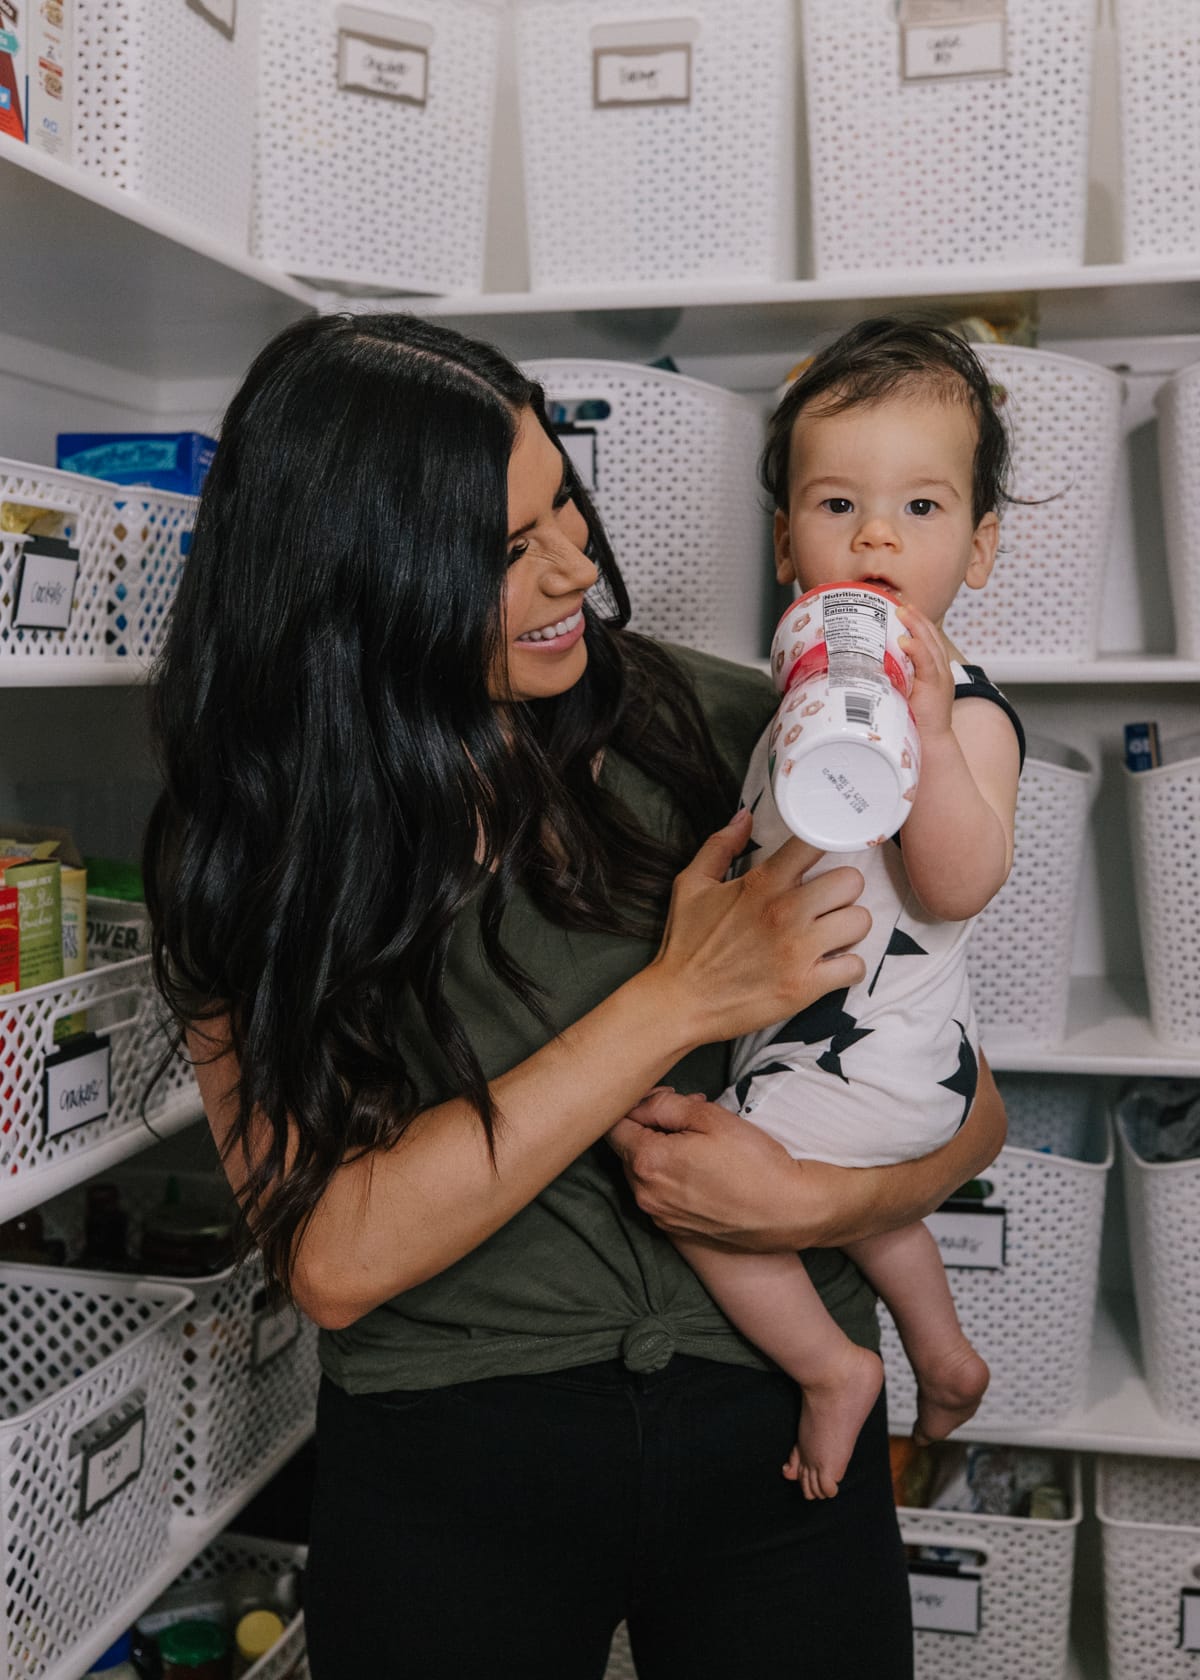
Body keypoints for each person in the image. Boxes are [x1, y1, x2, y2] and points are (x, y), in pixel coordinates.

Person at [143, 311, 1006, 1680]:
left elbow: (966, 1109)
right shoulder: (249, 848)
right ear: (359, 577)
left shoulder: (735, 729)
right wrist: (674, 1001)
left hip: (778, 1443)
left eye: (567, 510)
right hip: (452, 1472)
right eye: (506, 549)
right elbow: (335, 1259)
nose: (578, 569)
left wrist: (824, 1206)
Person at [629, 318, 1023, 1504]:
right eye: (837, 504)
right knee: (847, 1193)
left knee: (681, 1176)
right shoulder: (792, 699)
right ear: (788, 543)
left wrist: (936, 733)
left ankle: (833, 1368)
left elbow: (957, 884)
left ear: (981, 547)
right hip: (816, 1041)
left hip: (890, 1055)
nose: (877, 536)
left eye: (922, 509)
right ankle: (945, 1352)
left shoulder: (975, 718)